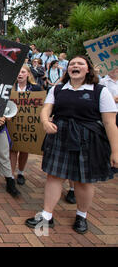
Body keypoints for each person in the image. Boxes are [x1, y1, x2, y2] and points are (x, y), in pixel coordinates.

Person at [25, 56, 117, 234]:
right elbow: (46, 109)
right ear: (68, 70)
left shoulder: (100, 91)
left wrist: (116, 151)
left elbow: (109, 123)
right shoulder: (58, 89)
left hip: (88, 138)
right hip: (60, 135)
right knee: (54, 176)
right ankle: (46, 215)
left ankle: (81, 215)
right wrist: (45, 122)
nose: (75, 66)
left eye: (80, 64)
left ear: (88, 69)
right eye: (72, 64)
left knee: (83, 180)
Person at [9, 65, 43, 185]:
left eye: (23, 72)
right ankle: (11, 176)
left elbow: (40, 107)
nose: (20, 74)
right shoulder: (10, 88)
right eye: (18, 72)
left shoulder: (36, 89)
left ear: (28, 74)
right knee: (12, 149)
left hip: (27, 125)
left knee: (24, 150)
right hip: (12, 123)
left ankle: (21, 172)